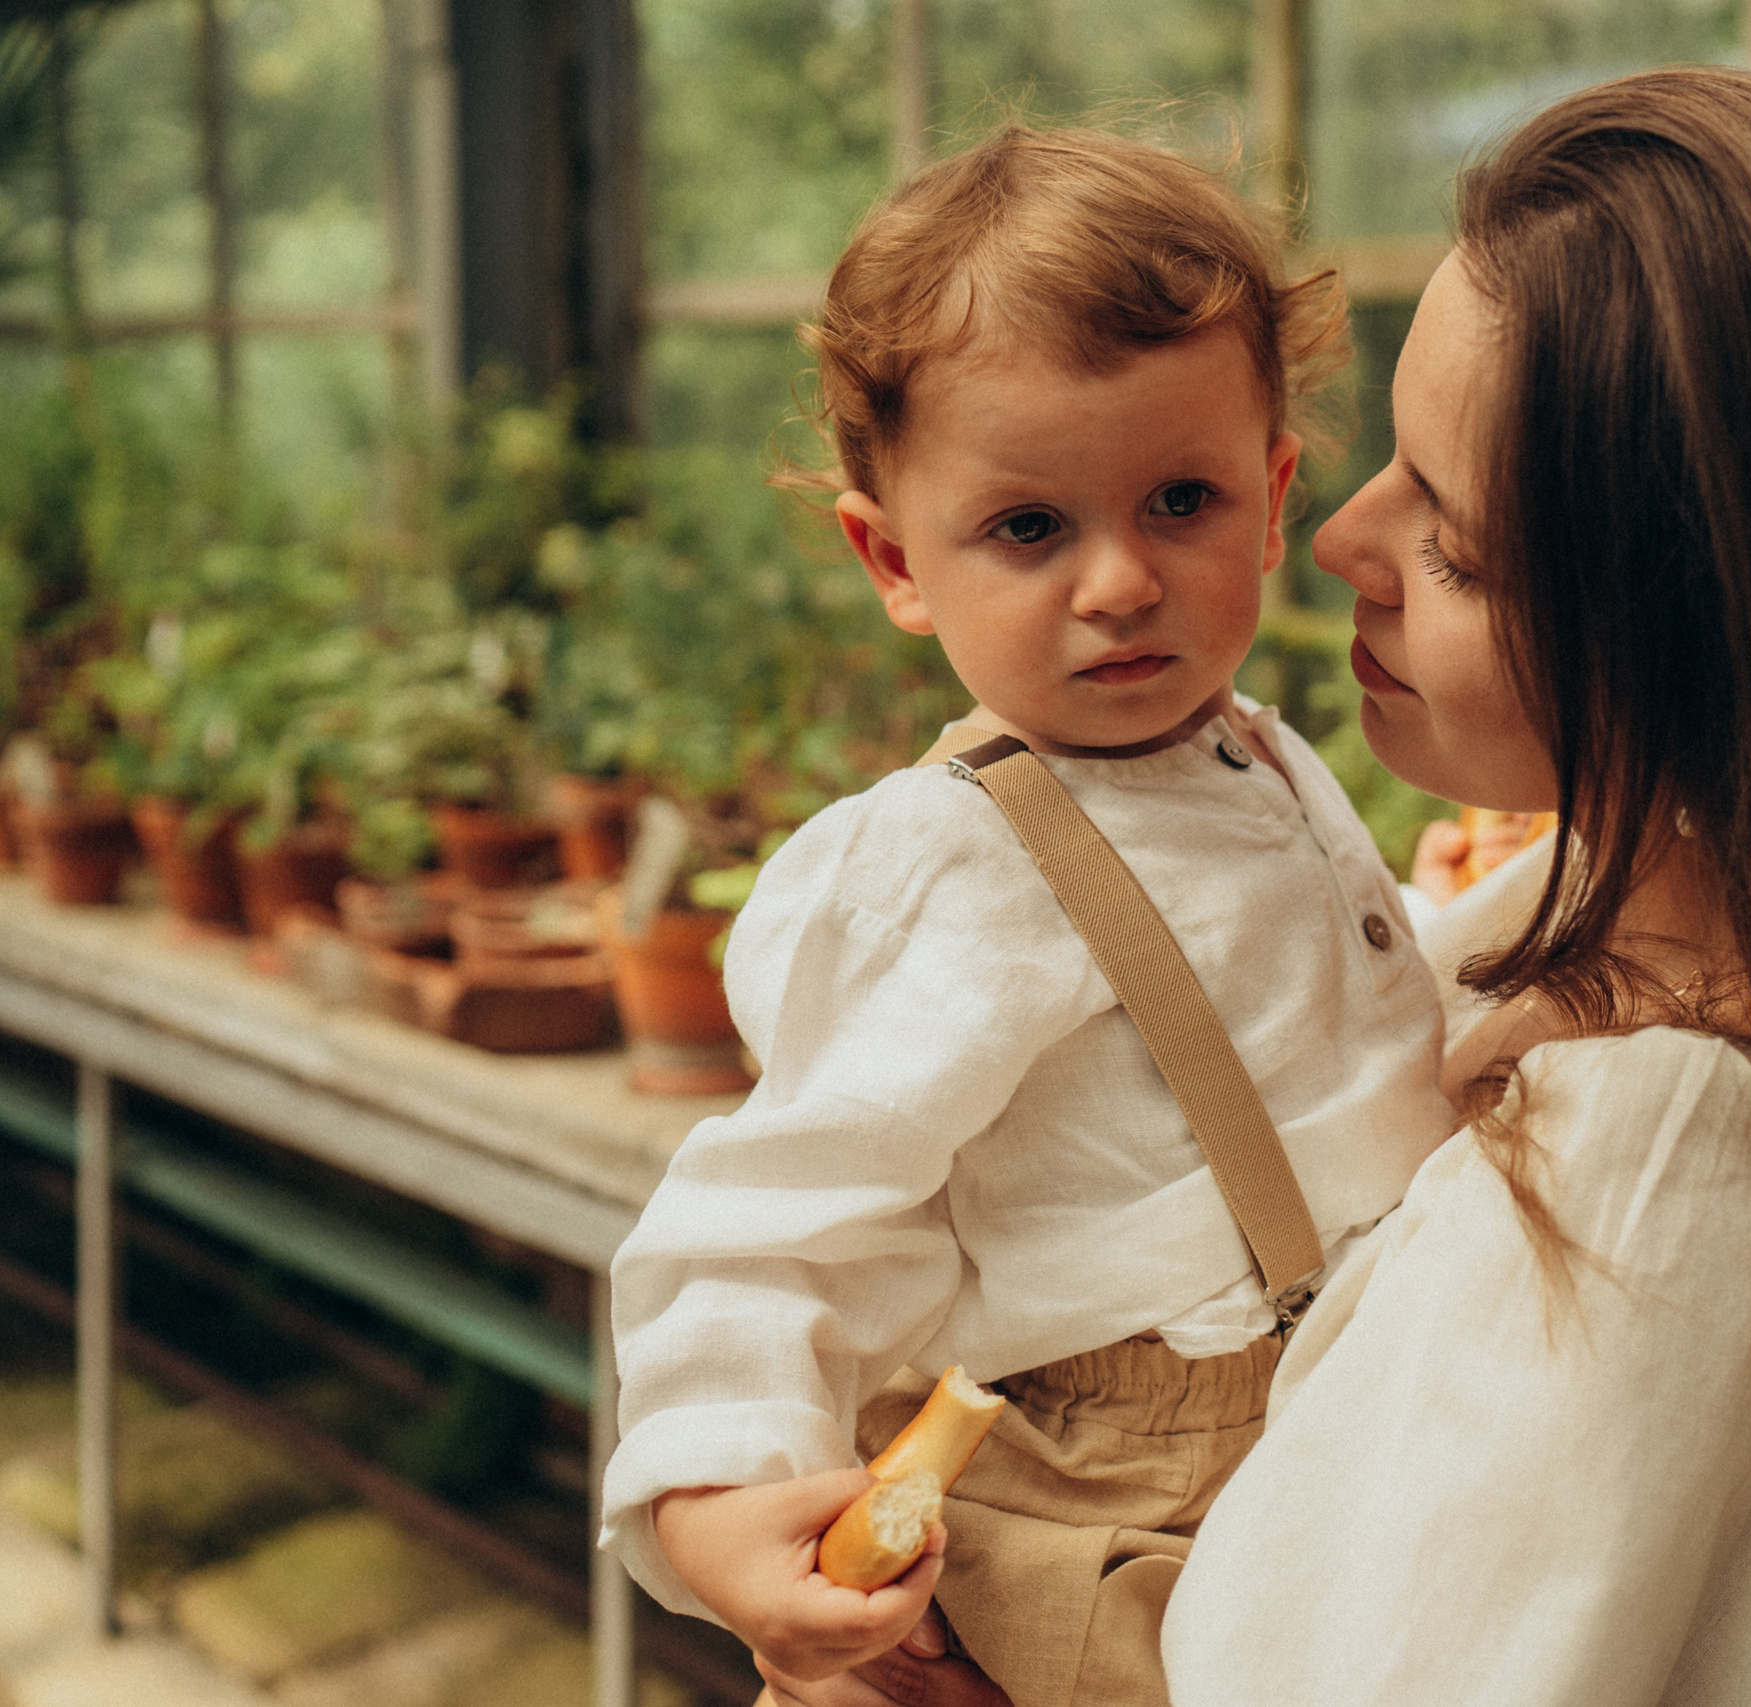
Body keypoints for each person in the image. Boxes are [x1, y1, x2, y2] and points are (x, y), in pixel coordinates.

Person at [793, 65, 1751, 1707]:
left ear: (1713, 631)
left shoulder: (1642, 1161)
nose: (1339, 536)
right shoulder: (1699, 944)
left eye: (1457, 543)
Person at [598, 125, 1455, 1707]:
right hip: (1128, 1499)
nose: (1121, 582)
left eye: (1180, 499)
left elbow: (1316, 1015)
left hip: (1355, 1404)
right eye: (1031, 529)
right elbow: (770, 1228)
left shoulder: (1251, 748)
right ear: (893, 559)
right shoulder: (952, 873)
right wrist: (718, 1508)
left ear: (1273, 504)